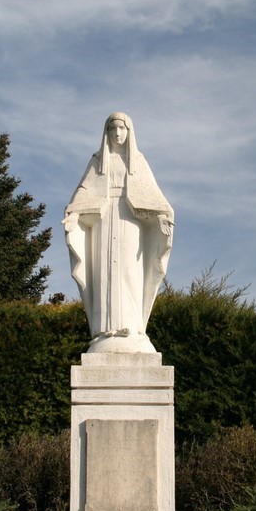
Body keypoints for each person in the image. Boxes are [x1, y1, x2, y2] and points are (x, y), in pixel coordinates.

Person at [63, 112, 174, 353]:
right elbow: (83, 193)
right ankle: (105, 331)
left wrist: (162, 217)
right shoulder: (97, 162)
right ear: (106, 132)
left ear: (129, 131)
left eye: (121, 128)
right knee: (104, 273)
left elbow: (154, 196)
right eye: (112, 129)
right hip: (103, 223)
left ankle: (133, 329)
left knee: (129, 271)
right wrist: (73, 215)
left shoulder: (138, 162)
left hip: (130, 222)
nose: (117, 133)